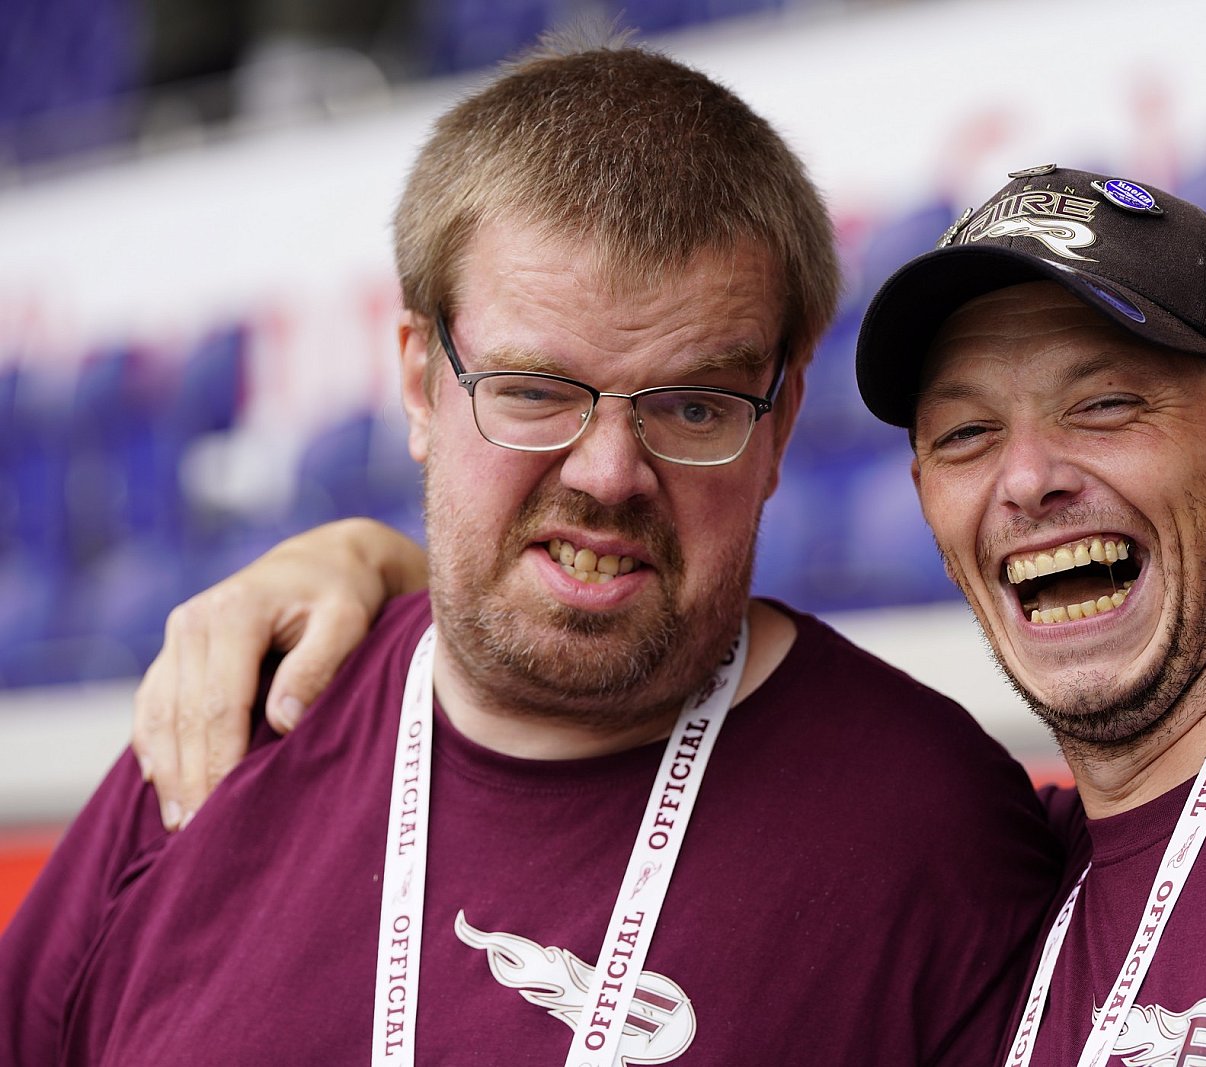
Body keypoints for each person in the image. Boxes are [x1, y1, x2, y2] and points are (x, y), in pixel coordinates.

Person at [127, 163, 1206, 1059]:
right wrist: (374, 560)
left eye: (1105, 406)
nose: (1027, 477)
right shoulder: (1029, 880)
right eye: (964, 433)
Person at [0, 44, 1067, 1066]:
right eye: (534, 392)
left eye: (692, 405)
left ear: (780, 423)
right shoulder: (219, 732)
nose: (608, 473)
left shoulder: (940, 833)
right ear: (420, 384)